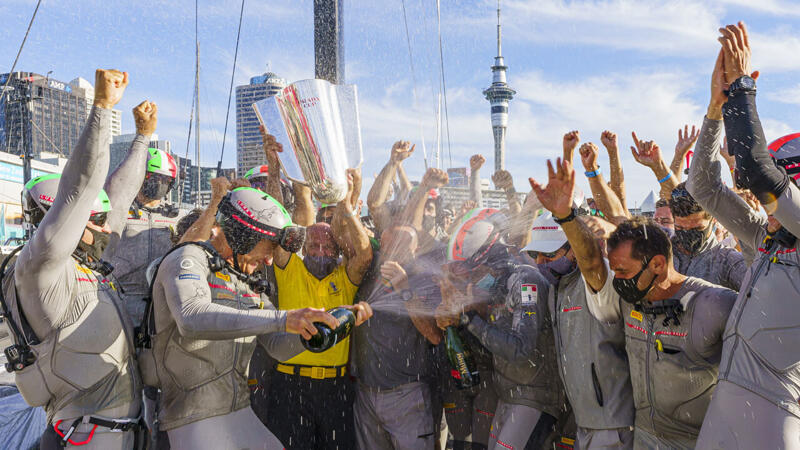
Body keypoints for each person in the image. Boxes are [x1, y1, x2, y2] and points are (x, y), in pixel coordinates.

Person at [530, 158, 737, 449]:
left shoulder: (715, 302)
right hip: (644, 437)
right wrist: (566, 217)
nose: (617, 280)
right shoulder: (629, 301)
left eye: (624, 272)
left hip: (700, 440)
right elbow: (591, 262)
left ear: (657, 264)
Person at [143, 186, 371, 450]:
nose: (271, 259)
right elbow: (191, 317)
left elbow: (277, 346)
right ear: (244, 235)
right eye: (270, 247)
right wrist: (283, 318)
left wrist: (322, 328)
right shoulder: (189, 258)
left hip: (239, 409)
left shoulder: (245, 281)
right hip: (191, 414)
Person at [1, 70, 147, 449]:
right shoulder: (40, 268)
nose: (105, 229)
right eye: (93, 221)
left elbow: (116, 199)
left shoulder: (87, 264)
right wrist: (100, 110)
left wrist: (143, 137)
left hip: (119, 433)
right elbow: (79, 188)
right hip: (81, 436)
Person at [689, 22, 800, 450]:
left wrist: (740, 90)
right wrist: (714, 109)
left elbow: (756, 172)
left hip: (776, 419)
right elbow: (703, 188)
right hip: (725, 408)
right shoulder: (765, 238)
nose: (760, 204)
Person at [436, 210, 561, 450]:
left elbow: (519, 348)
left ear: (492, 261)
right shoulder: (496, 284)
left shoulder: (526, 282)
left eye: (475, 272)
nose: (472, 279)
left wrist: (467, 317)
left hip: (534, 397)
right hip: (508, 395)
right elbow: (487, 343)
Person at [528, 213, 635, 449]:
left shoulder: (597, 280)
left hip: (613, 424)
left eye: (549, 254)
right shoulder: (557, 287)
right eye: (534, 254)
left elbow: (593, 262)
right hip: (584, 422)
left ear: (573, 249)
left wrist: (567, 216)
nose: (541, 262)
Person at [105, 142, 179, 328]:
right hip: (122, 297)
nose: (159, 184)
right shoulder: (118, 210)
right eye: (153, 178)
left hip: (161, 302)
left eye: (165, 180)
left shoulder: (176, 218)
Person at [668, 183, 746, 291]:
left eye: (697, 229)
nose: (688, 235)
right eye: (680, 228)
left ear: (714, 219)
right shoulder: (661, 253)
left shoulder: (728, 262)